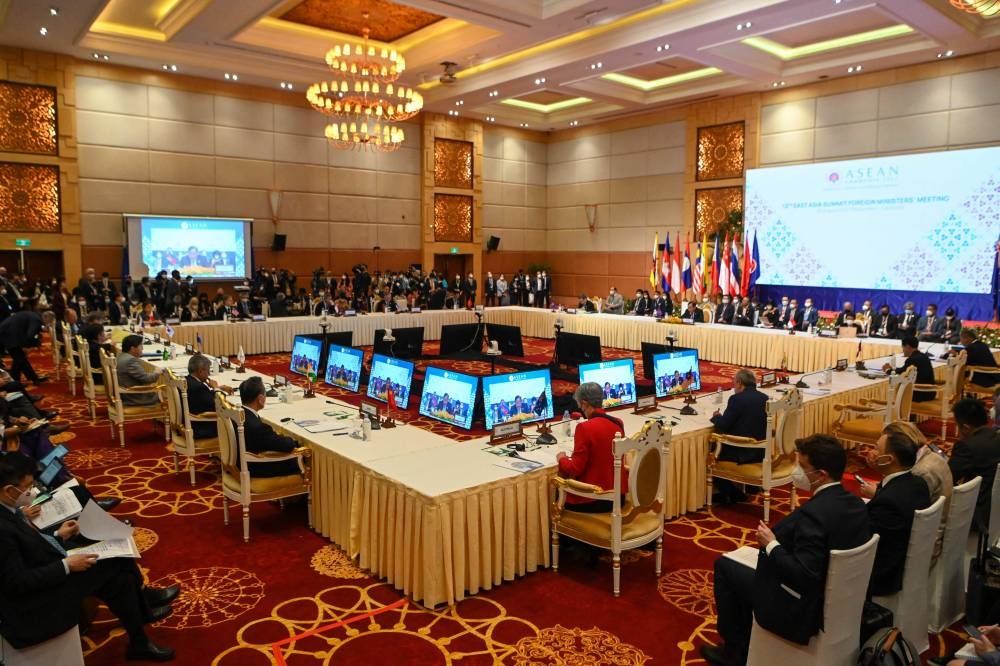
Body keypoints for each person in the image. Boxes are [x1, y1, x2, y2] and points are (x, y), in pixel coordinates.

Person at [703, 434, 871, 666]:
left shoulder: (814, 515)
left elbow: (803, 575)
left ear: (821, 475)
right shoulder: (855, 503)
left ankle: (733, 651)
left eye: (802, 466)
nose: (797, 472)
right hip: (842, 598)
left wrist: (771, 544)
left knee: (725, 567)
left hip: (801, 606)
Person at [0, 452, 178, 661]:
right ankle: (141, 622)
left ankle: (140, 632)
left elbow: (27, 545)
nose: (32, 492)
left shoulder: (8, 508)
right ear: (9, 490)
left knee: (116, 562)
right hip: (35, 599)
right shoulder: (2, 527)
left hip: (49, 564)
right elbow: (16, 583)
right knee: (116, 566)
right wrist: (66, 565)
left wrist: (58, 534)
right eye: (28, 487)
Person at [856, 425, 931, 597]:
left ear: (888, 459)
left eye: (876, 448)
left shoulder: (889, 502)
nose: (872, 452)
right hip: (906, 560)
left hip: (882, 576)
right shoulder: (918, 483)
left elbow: (865, 540)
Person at [555, 382, 626, 513]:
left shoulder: (584, 428)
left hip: (594, 499)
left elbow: (575, 469)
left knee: (558, 485)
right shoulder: (618, 423)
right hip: (619, 496)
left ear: (584, 403)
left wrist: (562, 459)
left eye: (580, 406)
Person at [710, 369, 768, 504]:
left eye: (734, 383)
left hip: (742, 452)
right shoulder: (764, 397)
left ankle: (733, 494)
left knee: (712, 453)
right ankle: (752, 487)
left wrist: (716, 417)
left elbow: (723, 425)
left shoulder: (737, 399)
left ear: (740, 383)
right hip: (760, 451)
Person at [949, 398, 1000, 532]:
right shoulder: (996, 436)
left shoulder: (967, 447)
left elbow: (947, 478)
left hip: (975, 513)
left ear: (965, 428)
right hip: (994, 507)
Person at [238, 376, 304, 477]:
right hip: (258, 469)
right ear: (260, 399)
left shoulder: (238, 416)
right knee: (303, 457)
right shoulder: (259, 428)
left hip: (241, 464)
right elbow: (287, 446)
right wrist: (293, 441)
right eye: (265, 394)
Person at [184, 354, 234, 439]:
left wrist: (220, 387)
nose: (209, 374)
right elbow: (219, 405)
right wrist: (216, 388)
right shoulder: (199, 387)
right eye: (208, 371)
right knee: (234, 420)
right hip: (202, 427)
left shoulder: (187, 380)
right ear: (200, 371)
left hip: (189, 423)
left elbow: (203, 397)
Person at [0, 310, 51, 385]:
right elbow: (30, 335)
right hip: (9, 335)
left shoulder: (35, 316)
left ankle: (19, 381)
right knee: (19, 358)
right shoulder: (37, 320)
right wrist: (33, 344)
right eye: (49, 322)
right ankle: (31, 379)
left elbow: (30, 330)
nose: (48, 324)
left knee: (19, 358)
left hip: (8, 333)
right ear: (46, 318)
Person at [117, 334, 166, 406]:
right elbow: (146, 379)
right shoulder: (130, 360)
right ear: (132, 348)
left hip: (124, 394)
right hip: (135, 398)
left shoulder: (121, 356)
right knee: (168, 394)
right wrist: (157, 372)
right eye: (140, 346)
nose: (142, 348)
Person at [882, 335, 935, 402]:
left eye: (903, 347)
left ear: (907, 346)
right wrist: (892, 368)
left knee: (900, 390)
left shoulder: (912, 359)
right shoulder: (923, 356)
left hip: (919, 393)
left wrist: (888, 370)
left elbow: (902, 373)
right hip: (930, 392)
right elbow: (904, 370)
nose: (903, 350)